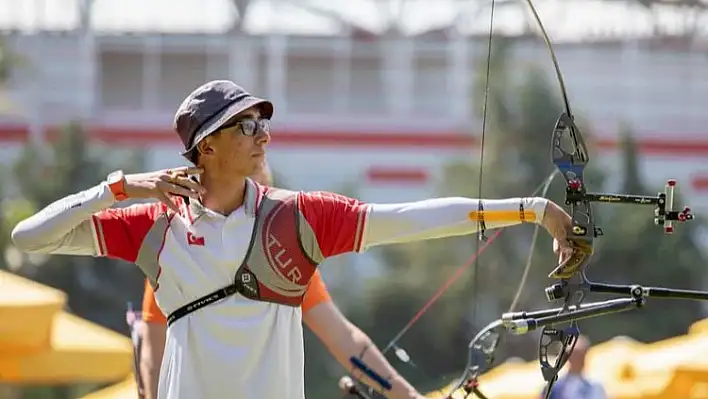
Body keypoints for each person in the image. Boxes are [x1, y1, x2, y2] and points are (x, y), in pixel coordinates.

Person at [11, 79, 576, 399]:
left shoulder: (296, 222)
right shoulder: (156, 228)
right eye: (247, 126)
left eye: (264, 124)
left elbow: (413, 217)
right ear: (205, 148)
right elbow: (29, 238)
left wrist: (533, 210)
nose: (265, 136)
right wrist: (120, 187)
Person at [139, 160, 425, 399]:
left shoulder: (286, 262)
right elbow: (154, 358)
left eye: (266, 199)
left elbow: (344, 340)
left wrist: (409, 397)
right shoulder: (177, 256)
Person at [541, 335, 607, 399]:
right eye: (575, 355)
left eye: (582, 354)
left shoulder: (595, 386)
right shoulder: (554, 387)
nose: (580, 359)